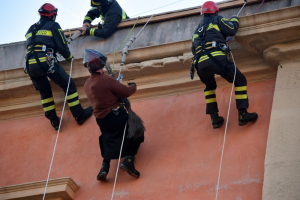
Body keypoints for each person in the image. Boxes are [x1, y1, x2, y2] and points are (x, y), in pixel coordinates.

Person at [24, 3, 93, 130]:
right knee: (68, 84)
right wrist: (69, 58)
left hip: (30, 66)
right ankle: (79, 115)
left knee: (45, 92)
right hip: (46, 62)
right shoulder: (53, 25)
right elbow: (62, 46)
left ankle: (54, 121)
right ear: (53, 15)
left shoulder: (30, 29)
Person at [191, 1, 258, 129]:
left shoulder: (197, 30)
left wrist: (220, 38)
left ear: (203, 13)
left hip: (200, 65)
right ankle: (243, 114)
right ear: (215, 11)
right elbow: (232, 29)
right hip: (216, 59)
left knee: (209, 86)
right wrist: (234, 19)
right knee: (239, 80)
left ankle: (214, 118)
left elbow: (194, 49)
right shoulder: (217, 19)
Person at [83, 49, 144, 181]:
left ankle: (105, 166)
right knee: (137, 130)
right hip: (115, 115)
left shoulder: (87, 84)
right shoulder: (106, 80)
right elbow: (126, 92)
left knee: (108, 138)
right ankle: (128, 160)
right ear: (101, 66)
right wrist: (133, 86)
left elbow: (104, 95)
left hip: (101, 120)